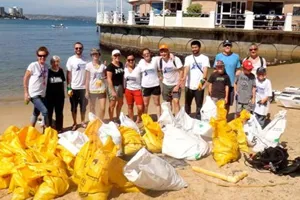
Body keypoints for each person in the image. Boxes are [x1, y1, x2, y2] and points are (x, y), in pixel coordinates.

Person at [23, 46, 50, 128]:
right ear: (37, 56)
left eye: (44, 55)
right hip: (33, 94)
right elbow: (25, 78)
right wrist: (26, 93)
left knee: (36, 112)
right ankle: (47, 131)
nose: (42, 57)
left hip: (42, 94)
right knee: (45, 111)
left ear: (46, 56)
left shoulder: (46, 66)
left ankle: (31, 129)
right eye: (40, 55)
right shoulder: (33, 65)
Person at [183, 40, 210, 120]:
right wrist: (184, 77)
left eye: (195, 47)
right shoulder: (188, 58)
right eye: (192, 48)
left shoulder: (205, 58)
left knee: (199, 105)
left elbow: (205, 71)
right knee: (187, 104)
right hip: (188, 85)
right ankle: (187, 119)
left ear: (199, 47)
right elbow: (187, 68)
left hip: (199, 85)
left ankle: (198, 120)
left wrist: (201, 84)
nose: (194, 49)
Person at [214, 39, 241, 111]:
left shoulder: (236, 56)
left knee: (227, 104)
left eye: (229, 45)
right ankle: (219, 119)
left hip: (231, 84)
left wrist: (236, 81)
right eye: (225, 45)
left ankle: (225, 119)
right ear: (223, 46)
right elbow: (215, 70)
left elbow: (238, 70)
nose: (227, 46)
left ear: (231, 46)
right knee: (218, 104)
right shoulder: (218, 56)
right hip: (220, 83)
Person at [156, 44, 183, 115]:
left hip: (175, 84)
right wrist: (160, 76)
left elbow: (181, 71)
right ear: (160, 53)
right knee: (168, 103)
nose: (163, 53)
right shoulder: (159, 61)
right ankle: (170, 118)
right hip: (165, 85)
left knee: (176, 101)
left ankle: (178, 118)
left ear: (168, 51)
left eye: (165, 51)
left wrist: (178, 85)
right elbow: (155, 69)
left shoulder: (175, 59)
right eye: (161, 52)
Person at [66, 42, 88, 130]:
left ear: (82, 49)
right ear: (74, 49)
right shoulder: (70, 59)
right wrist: (68, 88)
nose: (78, 49)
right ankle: (74, 123)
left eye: (80, 48)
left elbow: (89, 73)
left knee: (83, 107)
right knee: (73, 107)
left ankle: (82, 121)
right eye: (76, 48)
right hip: (74, 88)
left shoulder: (86, 60)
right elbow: (68, 74)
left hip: (83, 88)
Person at [137, 48, 161, 119]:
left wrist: (171, 55)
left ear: (150, 53)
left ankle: (159, 119)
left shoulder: (155, 59)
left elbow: (164, 56)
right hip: (146, 86)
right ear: (142, 55)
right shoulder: (141, 62)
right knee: (145, 104)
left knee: (157, 103)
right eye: (144, 54)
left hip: (155, 84)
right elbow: (136, 71)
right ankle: (145, 119)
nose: (146, 55)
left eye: (147, 53)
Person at [85, 48, 107, 120]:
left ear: (99, 55)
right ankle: (93, 121)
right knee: (92, 107)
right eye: (93, 54)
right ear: (91, 55)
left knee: (103, 108)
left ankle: (100, 121)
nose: (95, 55)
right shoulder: (88, 65)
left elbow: (106, 77)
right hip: (92, 89)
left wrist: (104, 79)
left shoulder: (103, 66)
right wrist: (87, 91)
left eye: (96, 53)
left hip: (101, 89)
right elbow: (87, 79)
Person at [46, 55, 65, 133]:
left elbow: (63, 83)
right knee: (49, 113)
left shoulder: (61, 70)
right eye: (54, 62)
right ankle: (49, 128)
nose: (56, 63)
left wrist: (64, 93)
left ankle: (59, 128)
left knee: (59, 113)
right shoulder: (48, 71)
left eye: (57, 61)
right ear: (51, 63)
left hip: (60, 96)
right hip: (50, 97)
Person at [124, 55, 144, 123]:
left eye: (132, 59)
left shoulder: (139, 67)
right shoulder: (125, 68)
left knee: (140, 107)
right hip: (128, 90)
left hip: (137, 90)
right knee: (130, 106)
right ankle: (132, 120)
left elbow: (147, 66)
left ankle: (138, 119)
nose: (131, 61)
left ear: (134, 60)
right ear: (126, 61)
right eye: (129, 60)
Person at [106, 49, 124, 121]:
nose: (117, 56)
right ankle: (111, 120)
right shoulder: (110, 66)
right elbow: (109, 79)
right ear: (112, 56)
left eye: (118, 55)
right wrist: (112, 91)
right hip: (113, 87)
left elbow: (122, 76)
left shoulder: (121, 64)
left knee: (120, 103)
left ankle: (117, 117)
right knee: (112, 104)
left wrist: (123, 86)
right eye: (115, 55)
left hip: (120, 86)